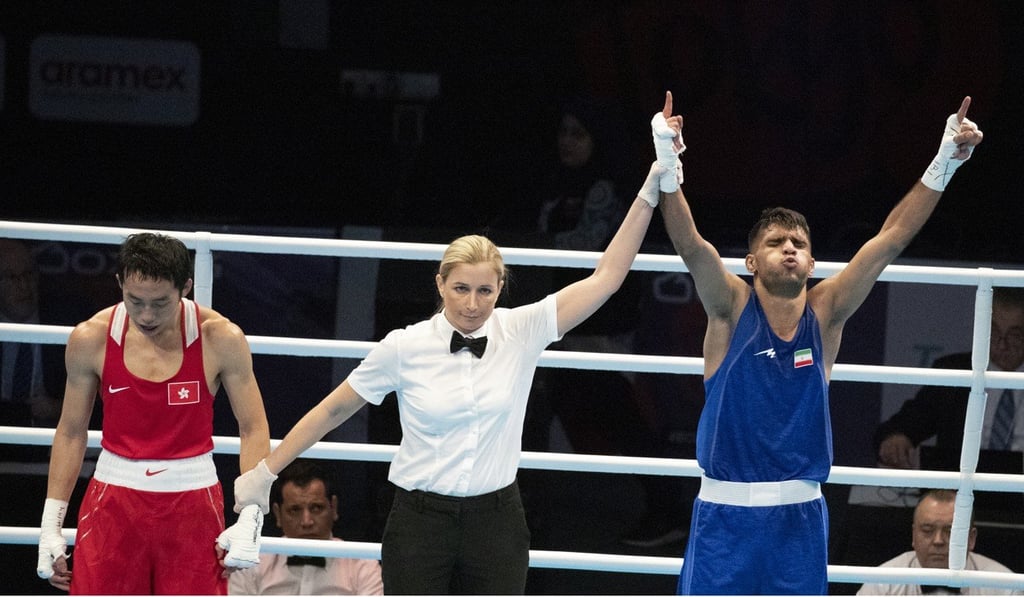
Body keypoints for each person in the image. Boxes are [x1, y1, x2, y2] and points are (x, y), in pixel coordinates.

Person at [222, 108, 668, 594]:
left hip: (496, 518)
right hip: (420, 520)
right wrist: (267, 471)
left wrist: (653, 180)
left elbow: (608, 276)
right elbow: (333, 408)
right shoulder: (404, 345)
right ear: (439, 284)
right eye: (460, 289)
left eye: (484, 291)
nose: (472, 304)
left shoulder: (523, 329)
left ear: (501, 288)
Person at [655, 89, 984, 595]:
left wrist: (944, 161)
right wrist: (666, 164)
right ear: (750, 262)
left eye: (799, 244)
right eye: (775, 242)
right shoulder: (730, 306)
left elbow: (890, 238)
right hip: (724, 519)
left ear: (811, 262)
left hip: (799, 523)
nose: (789, 248)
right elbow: (689, 244)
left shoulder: (826, 313)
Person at [35, 232, 272, 594]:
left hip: (193, 503)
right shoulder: (91, 338)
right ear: (119, 284)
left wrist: (251, 515)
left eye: (160, 303)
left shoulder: (220, 338)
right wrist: (50, 524)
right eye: (135, 300)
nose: (146, 315)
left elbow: (253, 428)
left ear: (186, 288)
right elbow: (71, 431)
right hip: (112, 501)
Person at [875, 287, 1024, 472]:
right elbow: (905, 423)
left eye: (1015, 335)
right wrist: (897, 438)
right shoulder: (954, 372)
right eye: (993, 332)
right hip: (957, 493)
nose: (1003, 344)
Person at [228, 459, 383, 595]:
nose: (306, 521)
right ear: (278, 514)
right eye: (295, 510)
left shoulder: (363, 565)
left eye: (316, 508)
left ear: (333, 508)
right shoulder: (250, 563)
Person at [856, 489, 1022, 595]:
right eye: (927, 530)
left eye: (951, 532)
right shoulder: (882, 584)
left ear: (971, 539)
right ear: (913, 535)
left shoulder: (1005, 588)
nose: (938, 541)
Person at [0, 239, 63, 444]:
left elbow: (102, 397)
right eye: (10, 277)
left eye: (28, 274)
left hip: (51, 438)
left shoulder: (68, 321)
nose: (23, 285)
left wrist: (57, 407)